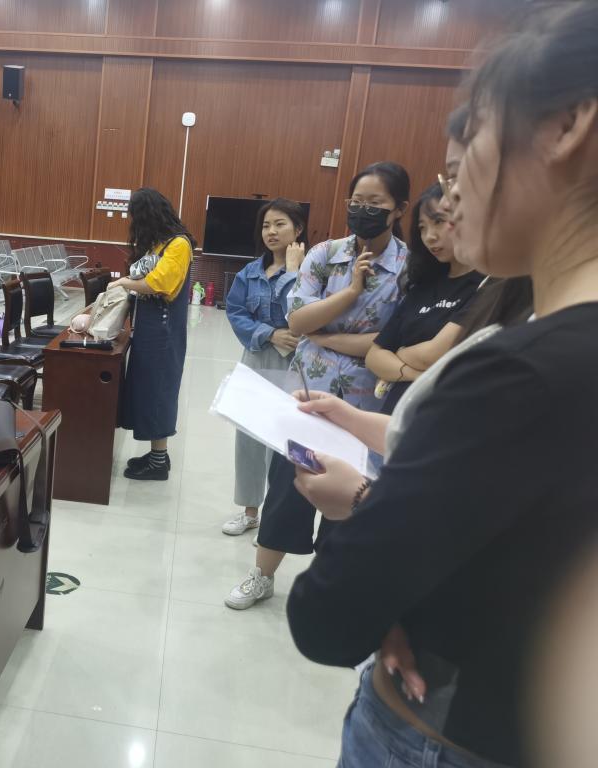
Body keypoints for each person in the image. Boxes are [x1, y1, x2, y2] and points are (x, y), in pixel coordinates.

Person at [285, 4, 598, 765]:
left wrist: (363, 506)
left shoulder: (522, 371)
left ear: (567, 126)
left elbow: (325, 617)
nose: (450, 198)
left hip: (441, 738)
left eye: (465, 160)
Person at [225, 161, 411, 609]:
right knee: (287, 487)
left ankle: (331, 588)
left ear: (399, 209)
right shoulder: (325, 255)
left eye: (375, 203)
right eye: (356, 202)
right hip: (307, 393)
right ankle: (262, 576)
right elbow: (297, 320)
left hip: (367, 406)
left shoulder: (410, 266)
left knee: (349, 498)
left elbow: (393, 342)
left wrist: (324, 336)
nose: (363, 211)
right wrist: (349, 293)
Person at [221, 198, 307, 538]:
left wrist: (294, 272)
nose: (271, 231)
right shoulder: (250, 273)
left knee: (283, 441)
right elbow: (236, 312)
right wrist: (270, 333)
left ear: (298, 229)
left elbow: (300, 311)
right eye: (266, 225)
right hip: (257, 358)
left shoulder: (311, 271)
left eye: (280, 224)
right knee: (249, 438)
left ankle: (275, 515)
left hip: (294, 364)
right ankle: (249, 512)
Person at [366, 183, 482, 415]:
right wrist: (416, 375)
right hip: (393, 415)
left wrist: (398, 354)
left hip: (442, 415)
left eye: (438, 222)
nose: (430, 236)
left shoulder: (485, 284)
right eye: (422, 227)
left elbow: (434, 354)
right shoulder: (422, 286)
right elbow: (374, 356)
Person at [110, 188, 194, 481]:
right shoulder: (158, 245)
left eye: (136, 216)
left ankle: (158, 463)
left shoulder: (179, 244)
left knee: (159, 392)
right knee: (147, 390)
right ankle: (158, 454)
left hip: (163, 332)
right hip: (149, 329)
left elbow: (159, 284)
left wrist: (123, 283)